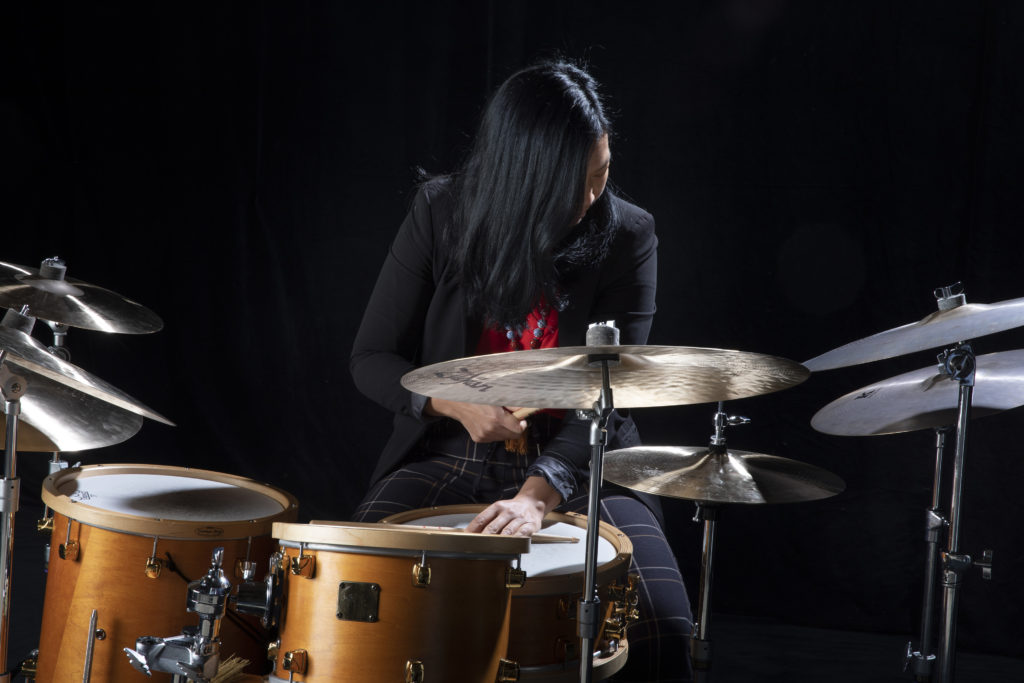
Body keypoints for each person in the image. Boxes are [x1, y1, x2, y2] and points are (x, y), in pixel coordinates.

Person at [350, 59, 693, 682]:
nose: (590, 200)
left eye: (601, 175)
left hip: (585, 459)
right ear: (522, 176)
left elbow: (609, 393)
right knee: (361, 598)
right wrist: (453, 403)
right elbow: (371, 359)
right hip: (450, 449)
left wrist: (538, 495)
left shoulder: (628, 234)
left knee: (663, 630)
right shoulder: (441, 211)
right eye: (573, 185)